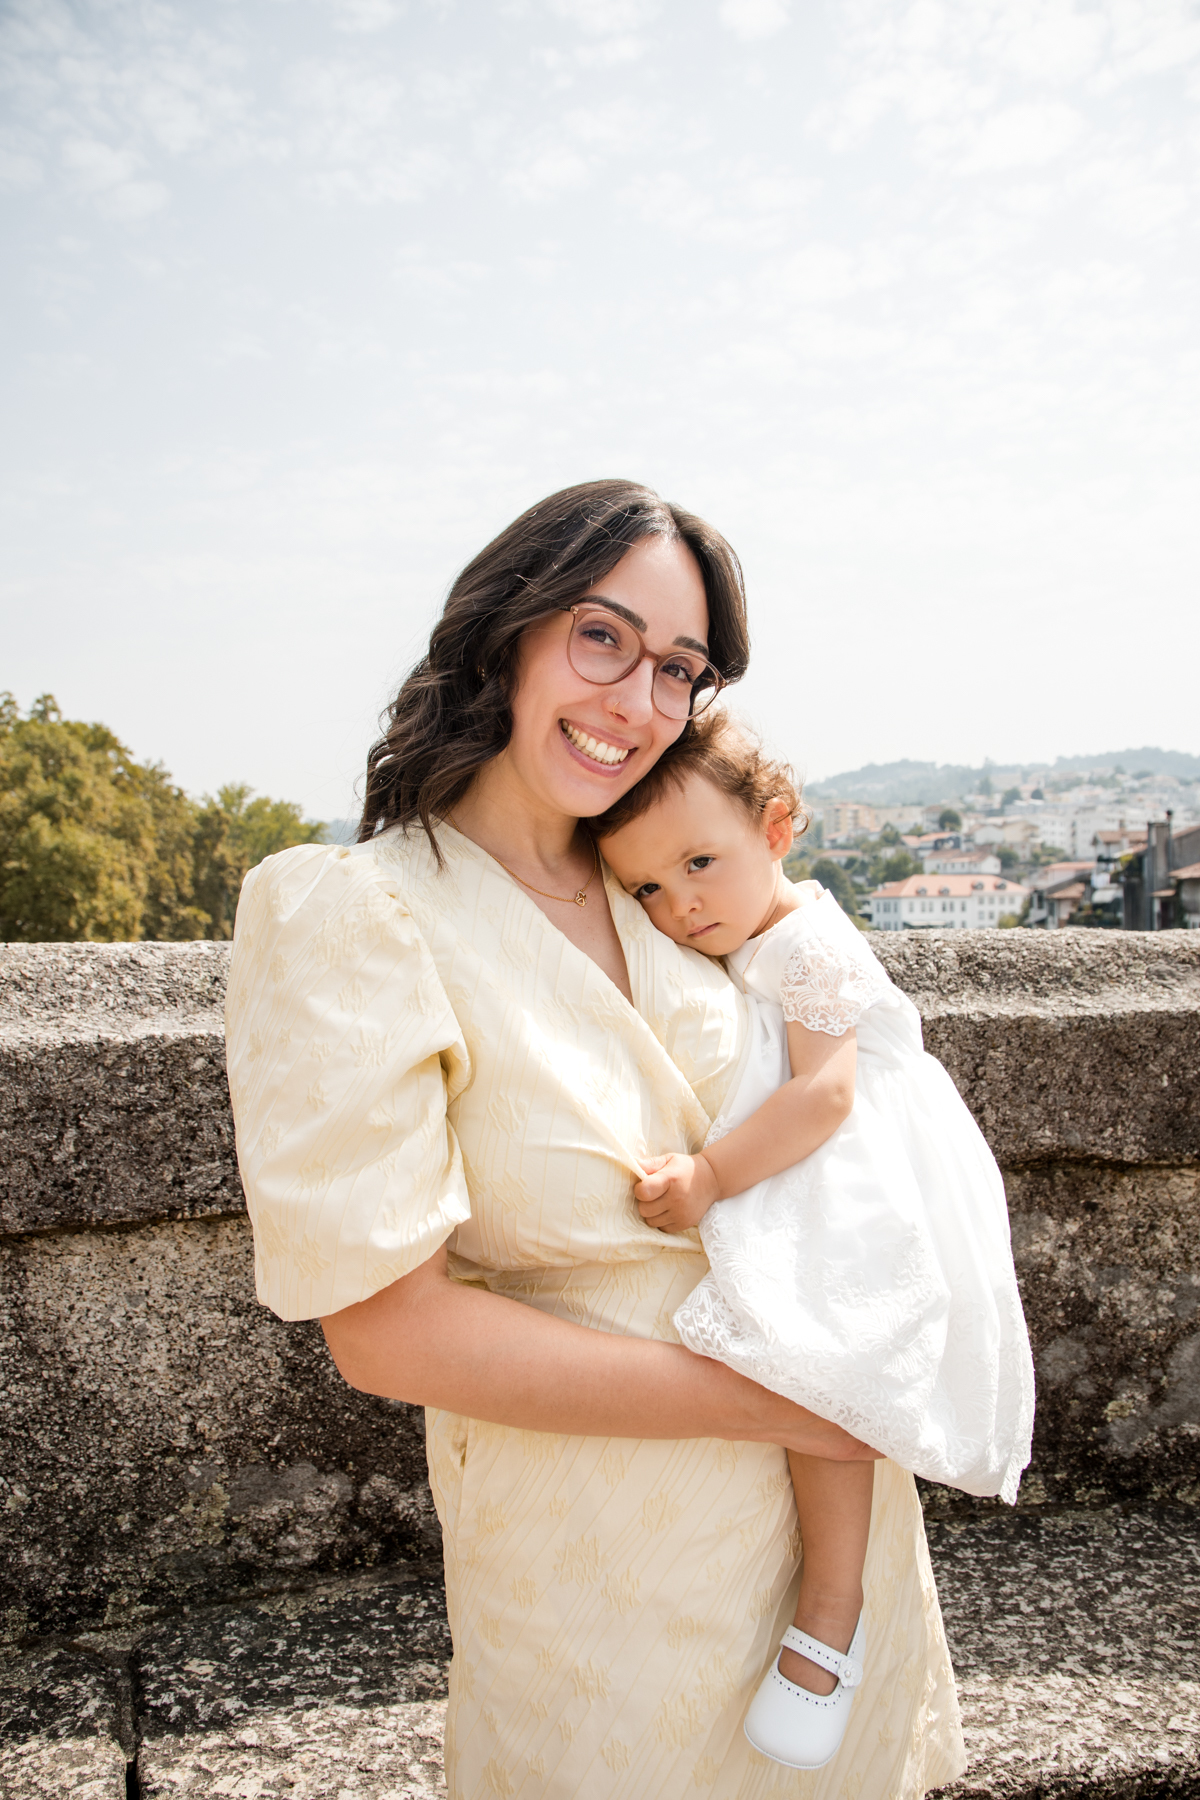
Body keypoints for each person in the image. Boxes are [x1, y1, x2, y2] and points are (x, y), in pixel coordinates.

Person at [223, 479, 968, 1799]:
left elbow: (844, 1120)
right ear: (505, 632)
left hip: (841, 1598)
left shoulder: (681, 889)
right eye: (602, 638)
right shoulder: (359, 913)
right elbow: (385, 1328)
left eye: (678, 669)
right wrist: (787, 1395)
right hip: (606, 1614)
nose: (635, 702)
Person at [595, 712, 1034, 1772]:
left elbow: (826, 1095)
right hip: (820, 1165)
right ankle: (826, 1619)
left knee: (825, 1382)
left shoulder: (812, 943)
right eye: (649, 888)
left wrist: (707, 1179)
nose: (679, 904)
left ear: (778, 828)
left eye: (700, 863)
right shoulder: (752, 936)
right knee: (810, 1383)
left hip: (860, 1175)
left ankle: (830, 1622)